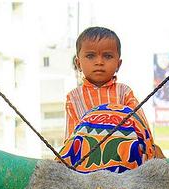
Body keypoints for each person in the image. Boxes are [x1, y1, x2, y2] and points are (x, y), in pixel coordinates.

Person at [65, 26, 163, 158]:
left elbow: (141, 127)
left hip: (126, 158)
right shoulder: (74, 97)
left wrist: (153, 150)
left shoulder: (124, 92)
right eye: (90, 56)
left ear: (118, 64)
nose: (99, 62)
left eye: (107, 56)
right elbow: (71, 138)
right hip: (87, 161)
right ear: (78, 63)